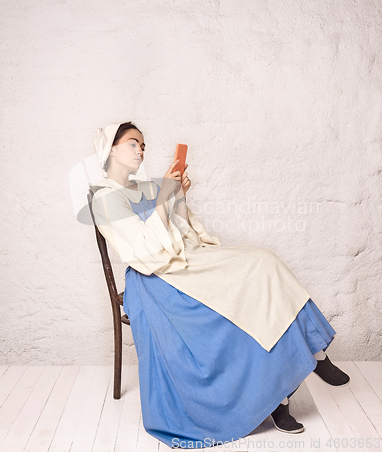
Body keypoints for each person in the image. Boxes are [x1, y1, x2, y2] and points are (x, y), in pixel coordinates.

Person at [90, 121, 350, 449]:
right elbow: (143, 251)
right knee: (253, 277)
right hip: (155, 279)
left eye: (143, 145)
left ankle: (308, 357)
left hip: (183, 262)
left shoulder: (141, 188)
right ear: (111, 148)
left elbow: (181, 230)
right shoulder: (103, 197)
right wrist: (163, 201)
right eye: (132, 143)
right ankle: (285, 389)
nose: (140, 150)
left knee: (263, 263)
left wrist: (178, 196)